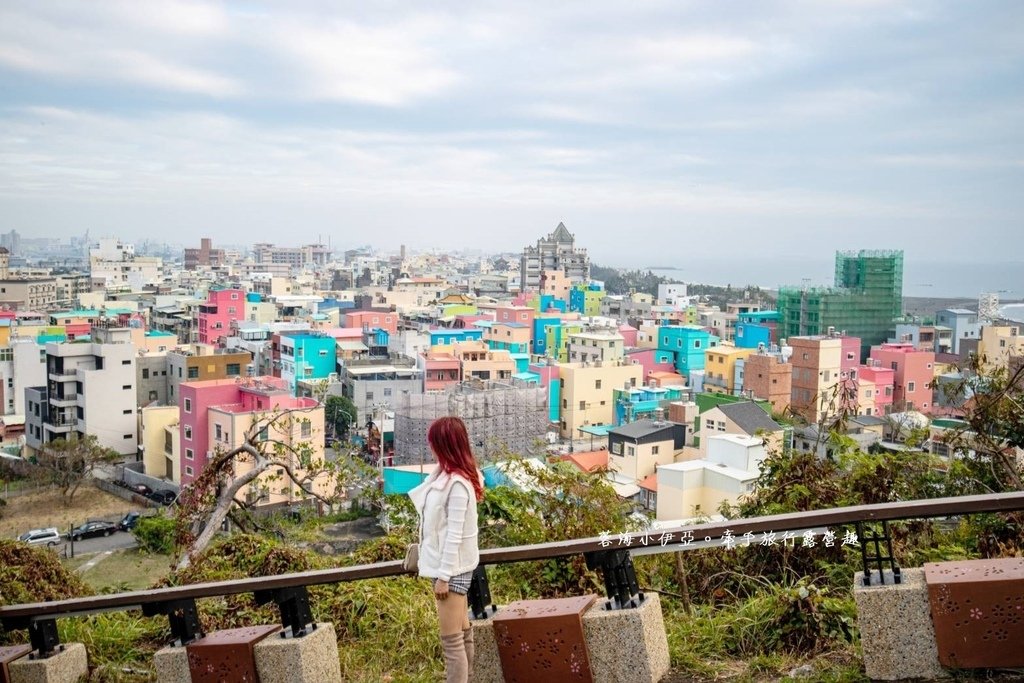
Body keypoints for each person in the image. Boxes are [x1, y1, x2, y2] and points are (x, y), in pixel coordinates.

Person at [408, 416, 483, 683]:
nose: (431, 448)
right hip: (452, 568)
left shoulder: (457, 485)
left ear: (444, 445)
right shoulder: (447, 476)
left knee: (451, 643)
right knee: (462, 634)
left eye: (434, 443)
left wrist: (443, 577)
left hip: (451, 571)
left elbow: (455, 536)